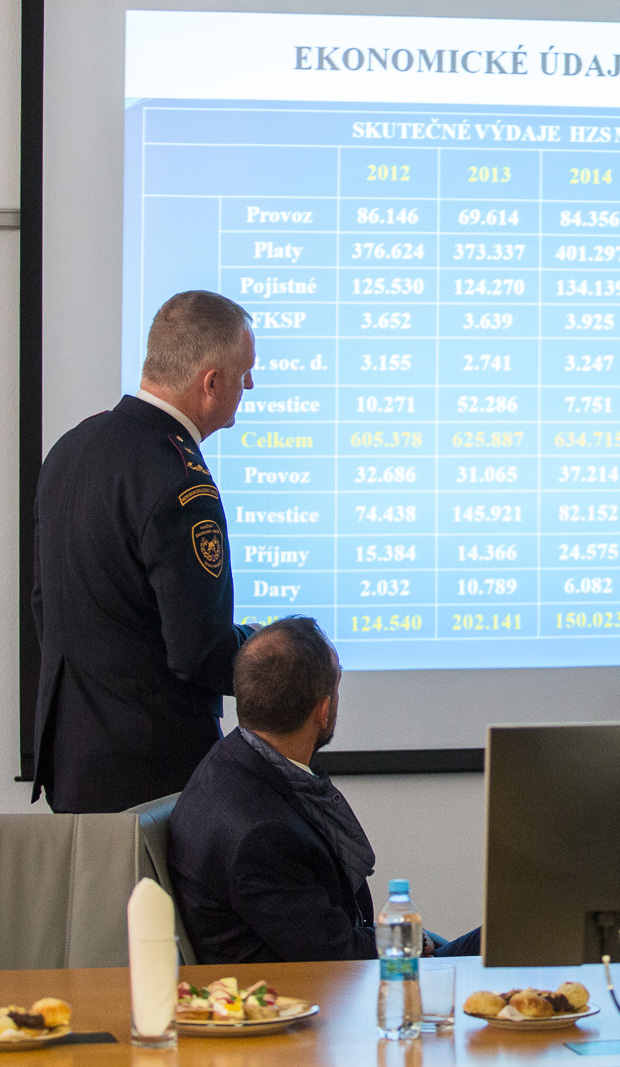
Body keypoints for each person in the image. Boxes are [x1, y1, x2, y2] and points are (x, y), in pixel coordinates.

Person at [31, 290, 258, 812]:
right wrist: (265, 649)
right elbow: (198, 649)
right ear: (210, 383)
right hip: (152, 776)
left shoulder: (70, 448)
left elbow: (45, 605)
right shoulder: (179, 478)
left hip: (72, 763)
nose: (249, 386)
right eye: (244, 373)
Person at [168, 617, 480, 963]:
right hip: (324, 988)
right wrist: (411, 941)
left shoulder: (226, 762)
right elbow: (337, 954)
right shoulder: (263, 837)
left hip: (328, 963)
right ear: (324, 710)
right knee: (510, 934)